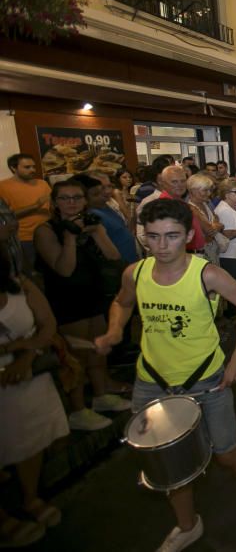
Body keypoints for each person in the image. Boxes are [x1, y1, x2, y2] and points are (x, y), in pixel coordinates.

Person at [94, 199, 236, 550]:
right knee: (169, 463)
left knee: (226, 453)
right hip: (152, 383)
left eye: (172, 236)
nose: (162, 246)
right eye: (153, 237)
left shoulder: (205, 273)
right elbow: (121, 302)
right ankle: (187, 524)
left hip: (206, 380)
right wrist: (114, 329)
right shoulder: (135, 273)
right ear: (144, 237)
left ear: (189, 236)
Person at [34, 179, 129, 431]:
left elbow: (113, 255)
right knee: (75, 357)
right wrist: (69, 237)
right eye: (65, 198)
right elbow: (64, 269)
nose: (72, 202)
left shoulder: (90, 223)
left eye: (77, 197)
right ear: (55, 203)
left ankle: (100, 395)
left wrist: (97, 233)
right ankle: (78, 409)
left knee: (98, 348)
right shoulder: (46, 230)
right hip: (67, 298)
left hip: (94, 293)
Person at [0, 252, 69, 548]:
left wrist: (26, 354)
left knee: (31, 437)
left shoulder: (20, 285)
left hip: (28, 375)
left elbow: (47, 324)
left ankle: (30, 498)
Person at [0, 154, 51, 275]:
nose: (32, 170)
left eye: (33, 167)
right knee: (30, 274)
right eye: (27, 167)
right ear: (13, 168)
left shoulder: (42, 184)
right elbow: (6, 217)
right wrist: (36, 206)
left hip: (47, 235)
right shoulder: (3, 187)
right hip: (24, 239)